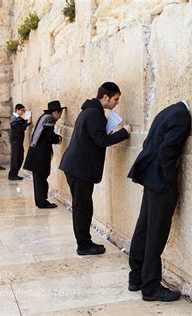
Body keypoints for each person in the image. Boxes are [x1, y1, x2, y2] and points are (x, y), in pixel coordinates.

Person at [127, 100, 191, 302]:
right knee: (156, 232)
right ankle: (151, 286)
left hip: (149, 176)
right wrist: (170, 179)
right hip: (160, 181)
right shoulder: (182, 116)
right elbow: (167, 151)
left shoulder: (167, 111)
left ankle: (136, 277)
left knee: (144, 227)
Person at [60, 82, 132, 256]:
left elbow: (95, 138)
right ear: (105, 97)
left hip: (78, 166)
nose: (116, 103)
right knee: (82, 207)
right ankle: (83, 246)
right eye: (115, 99)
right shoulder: (93, 113)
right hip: (79, 168)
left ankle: (85, 242)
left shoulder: (91, 111)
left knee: (83, 206)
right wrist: (124, 132)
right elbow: (101, 141)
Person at [24, 100, 65, 209]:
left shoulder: (44, 117)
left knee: (39, 179)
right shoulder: (49, 119)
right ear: (55, 112)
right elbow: (49, 136)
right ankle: (42, 202)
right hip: (39, 155)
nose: (60, 117)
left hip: (35, 153)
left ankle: (40, 201)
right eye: (60, 114)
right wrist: (59, 138)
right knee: (41, 178)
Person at [8, 103, 32, 180]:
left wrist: (28, 119)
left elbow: (24, 123)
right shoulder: (14, 119)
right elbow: (19, 129)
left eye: (24, 111)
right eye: (22, 110)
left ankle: (15, 174)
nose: (23, 112)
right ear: (17, 110)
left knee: (20, 157)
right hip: (15, 141)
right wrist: (27, 123)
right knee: (15, 158)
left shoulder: (18, 118)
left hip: (19, 141)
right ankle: (12, 175)